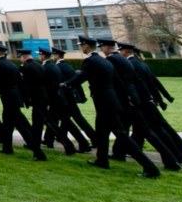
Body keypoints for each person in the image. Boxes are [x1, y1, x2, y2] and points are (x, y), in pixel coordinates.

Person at [60, 36, 161, 178]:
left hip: (105, 103)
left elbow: (82, 77)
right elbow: (117, 81)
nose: (81, 48)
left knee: (121, 134)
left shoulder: (91, 61)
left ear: (86, 46)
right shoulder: (102, 60)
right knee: (102, 133)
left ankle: (150, 167)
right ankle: (102, 160)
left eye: (81, 45)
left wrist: (65, 85)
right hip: (109, 102)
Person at [100, 39, 182, 171]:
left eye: (102, 47)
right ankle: (118, 153)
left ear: (107, 48)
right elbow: (137, 81)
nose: (101, 50)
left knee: (146, 132)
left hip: (126, 101)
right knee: (132, 130)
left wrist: (127, 98)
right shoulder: (124, 60)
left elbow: (119, 82)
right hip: (134, 99)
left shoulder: (112, 60)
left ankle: (169, 162)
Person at [0, 43, 46, 161]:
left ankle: (38, 153)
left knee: (21, 126)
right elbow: (20, 84)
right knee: (7, 124)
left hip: (8, 98)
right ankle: (7, 147)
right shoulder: (11, 64)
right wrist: (25, 99)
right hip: (14, 97)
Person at [20, 49, 76, 155]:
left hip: (37, 98)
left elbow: (27, 85)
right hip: (43, 97)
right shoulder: (39, 65)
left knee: (49, 123)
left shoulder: (27, 68)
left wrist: (27, 99)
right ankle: (34, 144)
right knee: (38, 123)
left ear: (23, 57)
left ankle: (68, 146)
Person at [40, 48, 92, 153]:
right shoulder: (62, 66)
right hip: (63, 97)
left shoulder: (52, 67)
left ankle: (82, 144)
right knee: (57, 120)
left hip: (59, 98)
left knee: (65, 121)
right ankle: (49, 140)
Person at [52, 47, 95, 148]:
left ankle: (91, 139)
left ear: (57, 56)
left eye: (54, 55)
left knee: (73, 119)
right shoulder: (67, 66)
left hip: (66, 97)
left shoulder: (59, 67)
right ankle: (58, 137)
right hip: (71, 96)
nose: (53, 57)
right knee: (70, 118)